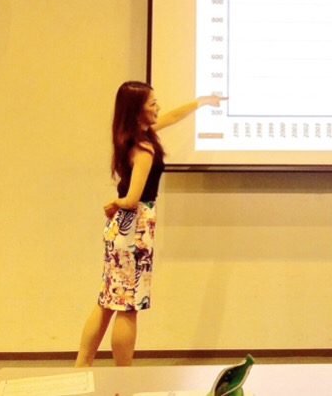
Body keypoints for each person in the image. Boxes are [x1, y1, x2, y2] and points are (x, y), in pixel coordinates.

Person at [75, 81, 226, 367]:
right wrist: (116, 202)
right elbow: (132, 198)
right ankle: (123, 375)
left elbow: (173, 116)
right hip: (135, 229)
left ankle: (82, 365)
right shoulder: (144, 148)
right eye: (152, 103)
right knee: (128, 306)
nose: (159, 108)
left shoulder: (132, 137)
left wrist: (202, 101)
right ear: (137, 111)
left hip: (123, 229)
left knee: (107, 301)